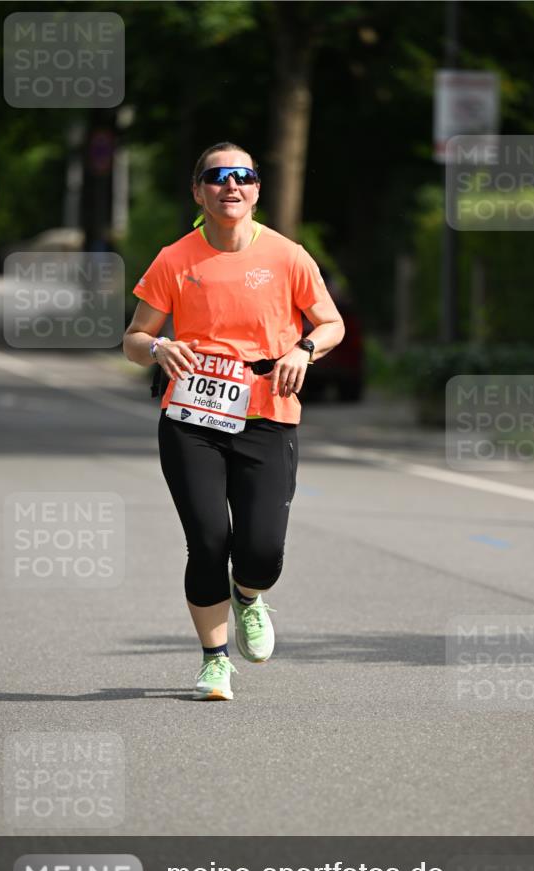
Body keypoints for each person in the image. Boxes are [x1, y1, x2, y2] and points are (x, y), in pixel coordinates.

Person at [123, 141, 345, 701]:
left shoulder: (288, 255)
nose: (231, 186)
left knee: (262, 550)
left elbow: (332, 323)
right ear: (198, 190)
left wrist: (304, 350)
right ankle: (215, 660)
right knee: (207, 540)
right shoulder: (175, 259)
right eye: (217, 177)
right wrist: (157, 350)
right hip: (191, 416)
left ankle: (249, 595)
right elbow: (134, 337)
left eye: (243, 176)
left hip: (267, 413)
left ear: (256, 190)